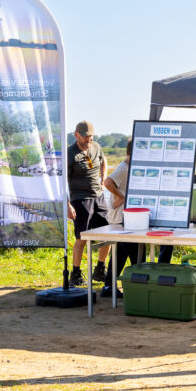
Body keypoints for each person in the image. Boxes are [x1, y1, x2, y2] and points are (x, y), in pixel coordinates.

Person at [100, 141, 170, 298]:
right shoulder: (123, 168)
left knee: (121, 253)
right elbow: (107, 182)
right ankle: (138, 285)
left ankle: (109, 285)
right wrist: (121, 196)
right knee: (136, 252)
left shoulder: (129, 168)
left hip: (127, 218)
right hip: (120, 218)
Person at [67, 120, 110, 287]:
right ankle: (75, 273)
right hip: (80, 199)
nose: (88, 141)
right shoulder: (71, 153)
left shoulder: (96, 146)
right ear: (76, 135)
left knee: (107, 233)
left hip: (99, 197)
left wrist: (103, 178)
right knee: (82, 237)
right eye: (85, 137)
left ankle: (100, 269)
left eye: (91, 137)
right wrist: (68, 204)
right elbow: (63, 180)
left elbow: (103, 161)